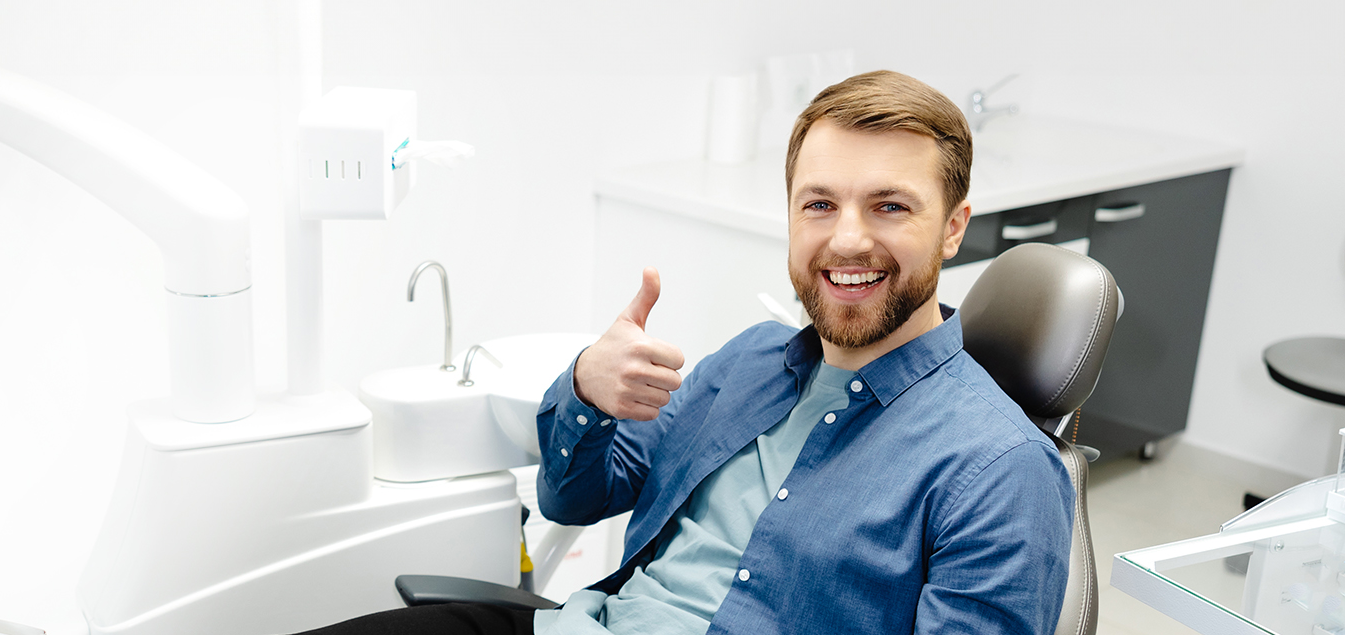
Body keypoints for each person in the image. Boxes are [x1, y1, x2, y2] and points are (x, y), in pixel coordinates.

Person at [297, 70, 1073, 635]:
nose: (846, 238)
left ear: (953, 227)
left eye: (890, 206)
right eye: (820, 204)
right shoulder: (753, 362)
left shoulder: (998, 469)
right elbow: (575, 498)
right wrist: (586, 393)